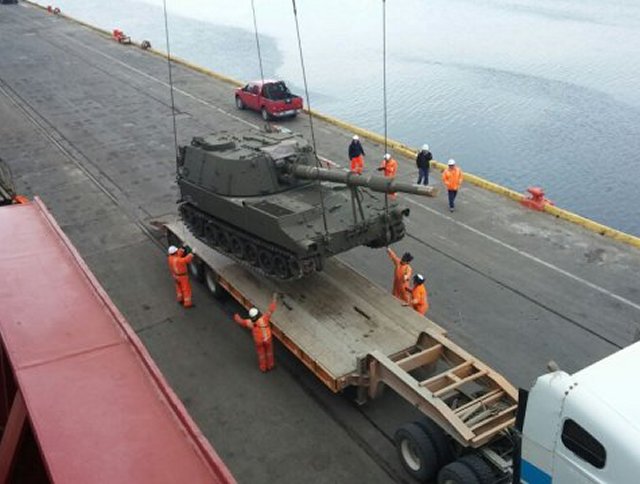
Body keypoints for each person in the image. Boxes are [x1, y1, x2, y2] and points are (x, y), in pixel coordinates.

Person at [234, 294, 278, 372]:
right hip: (267, 339)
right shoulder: (264, 319)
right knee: (269, 352)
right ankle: (270, 365)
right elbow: (270, 311)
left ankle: (263, 368)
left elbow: (240, 321)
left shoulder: (249, 323)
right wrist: (274, 300)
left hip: (259, 342)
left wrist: (236, 316)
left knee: (261, 355)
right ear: (258, 314)